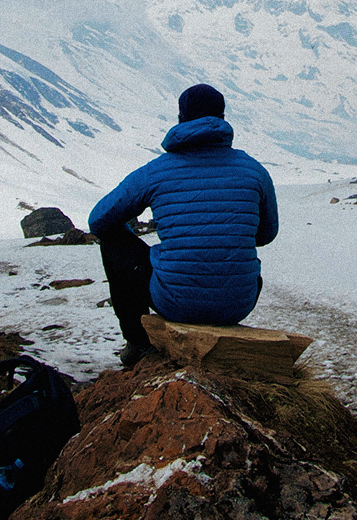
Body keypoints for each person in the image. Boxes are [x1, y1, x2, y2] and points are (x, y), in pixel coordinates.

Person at [89, 83, 279, 366]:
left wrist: (160, 247)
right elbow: (266, 234)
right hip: (239, 304)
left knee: (113, 240)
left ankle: (138, 343)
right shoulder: (254, 170)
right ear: (222, 118)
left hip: (174, 302)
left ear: (180, 119)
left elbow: (98, 221)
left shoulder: (156, 170)